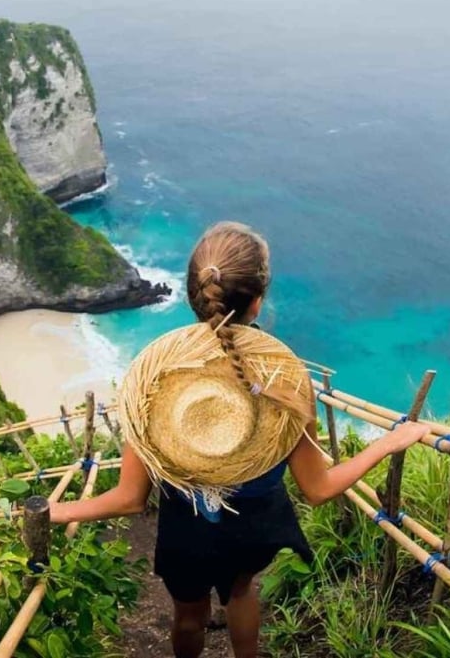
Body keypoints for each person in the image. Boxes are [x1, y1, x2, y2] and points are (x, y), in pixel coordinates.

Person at [49, 222, 430, 658]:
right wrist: (386, 442)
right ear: (257, 301)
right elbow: (318, 488)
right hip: (255, 528)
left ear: (193, 292)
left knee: (188, 614)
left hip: (185, 531)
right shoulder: (284, 380)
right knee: (243, 591)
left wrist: (55, 511)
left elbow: (130, 499)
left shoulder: (153, 380)